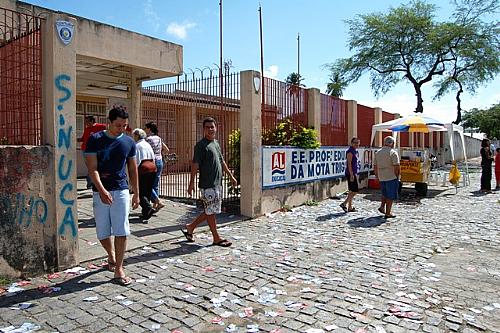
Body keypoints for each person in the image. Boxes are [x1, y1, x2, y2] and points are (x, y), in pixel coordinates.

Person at [85, 107, 139, 286]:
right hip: (100, 190)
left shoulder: (129, 142)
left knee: (121, 230)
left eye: (124, 125)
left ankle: (119, 269)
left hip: (121, 189)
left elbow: (132, 168)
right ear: (109, 122)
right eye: (118, 125)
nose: (121, 129)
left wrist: (136, 192)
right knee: (102, 231)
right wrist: (101, 190)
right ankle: (111, 254)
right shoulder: (95, 139)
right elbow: (92, 168)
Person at [182, 117, 237, 247]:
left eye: (212, 127)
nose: (210, 129)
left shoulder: (216, 144)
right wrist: (191, 183)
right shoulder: (200, 146)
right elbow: (195, 165)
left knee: (210, 209)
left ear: (216, 128)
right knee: (210, 210)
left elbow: (222, 161)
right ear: (203, 129)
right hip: (207, 184)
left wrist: (231, 176)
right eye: (207, 127)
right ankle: (216, 238)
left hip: (217, 183)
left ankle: (190, 227)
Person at [132, 128, 157, 222]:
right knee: (148, 191)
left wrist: (134, 173)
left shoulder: (137, 146)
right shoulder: (147, 144)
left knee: (141, 192)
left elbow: (136, 161)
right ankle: (145, 213)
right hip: (152, 168)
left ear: (137, 136)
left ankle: (148, 207)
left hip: (143, 169)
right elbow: (153, 157)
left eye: (134, 135)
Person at [373, 136, 400, 219]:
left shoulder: (378, 152)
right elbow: (397, 166)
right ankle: (388, 213)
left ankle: (382, 206)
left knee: (384, 193)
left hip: (381, 176)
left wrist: (377, 176)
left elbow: (375, 166)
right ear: (392, 143)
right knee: (390, 195)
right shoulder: (393, 152)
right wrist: (397, 176)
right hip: (391, 176)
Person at [145, 121, 169, 211]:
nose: (145, 130)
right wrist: (159, 152)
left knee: (148, 184)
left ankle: (158, 201)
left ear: (149, 129)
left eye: (146, 128)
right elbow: (167, 149)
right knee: (155, 184)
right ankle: (156, 205)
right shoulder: (159, 138)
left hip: (152, 162)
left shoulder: (148, 139)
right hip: (160, 161)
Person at [78, 115, 106, 188]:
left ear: (92, 121)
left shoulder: (100, 127)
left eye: (87, 122)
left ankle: (92, 183)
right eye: (85, 122)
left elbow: (109, 130)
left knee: (93, 167)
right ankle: (91, 183)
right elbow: (83, 138)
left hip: (95, 150)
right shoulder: (87, 129)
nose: (86, 123)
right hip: (85, 149)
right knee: (90, 167)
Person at [340, 137, 360, 212]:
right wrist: (351, 174)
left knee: (351, 191)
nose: (356, 144)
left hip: (354, 172)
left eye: (358, 143)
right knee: (355, 190)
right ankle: (344, 203)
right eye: (355, 142)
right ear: (351, 143)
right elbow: (349, 164)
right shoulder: (350, 152)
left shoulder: (355, 151)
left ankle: (350, 207)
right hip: (350, 173)